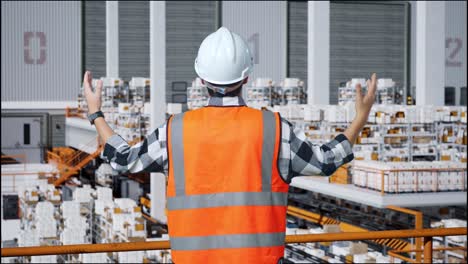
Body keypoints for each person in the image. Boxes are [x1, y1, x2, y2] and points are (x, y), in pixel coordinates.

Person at [83, 27, 377, 264]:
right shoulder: (273, 130)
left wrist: (96, 114)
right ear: (247, 77)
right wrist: (359, 118)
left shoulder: (173, 132)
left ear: (201, 79)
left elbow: (124, 159)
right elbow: (327, 161)